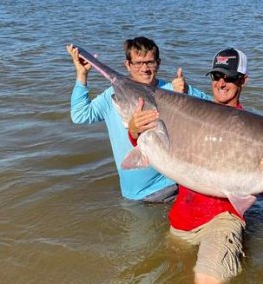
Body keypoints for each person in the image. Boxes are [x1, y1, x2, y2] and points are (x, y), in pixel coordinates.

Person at [130, 48, 263, 283]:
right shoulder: (190, 112)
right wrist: (134, 130)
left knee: (206, 279)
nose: (222, 83)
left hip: (223, 218)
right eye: (216, 76)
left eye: (230, 78)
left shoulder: (255, 132)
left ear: (243, 81)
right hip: (182, 217)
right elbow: (154, 143)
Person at [67, 37, 209, 202]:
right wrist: (81, 75)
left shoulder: (173, 89)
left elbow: (216, 110)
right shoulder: (112, 96)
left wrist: (186, 94)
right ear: (127, 64)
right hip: (135, 194)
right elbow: (80, 115)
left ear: (159, 63)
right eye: (138, 63)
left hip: (176, 185)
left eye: (150, 62)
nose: (145, 69)